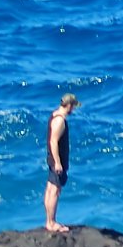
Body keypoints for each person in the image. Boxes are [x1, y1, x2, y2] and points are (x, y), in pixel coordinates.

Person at [45, 93, 79, 235]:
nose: (73, 110)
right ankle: (51, 223)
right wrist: (58, 162)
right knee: (55, 191)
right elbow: (53, 141)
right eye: (73, 107)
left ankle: (49, 221)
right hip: (57, 160)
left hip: (52, 158)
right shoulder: (60, 121)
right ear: (69, 106)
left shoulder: (54, 115)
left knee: (50, 189)